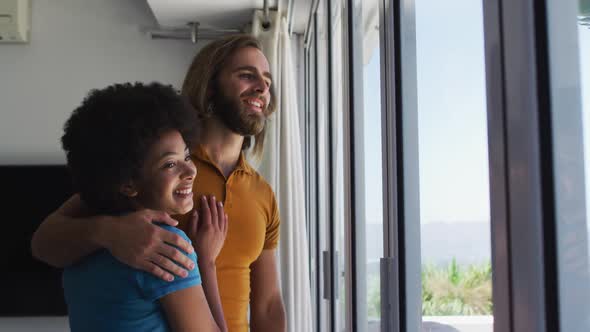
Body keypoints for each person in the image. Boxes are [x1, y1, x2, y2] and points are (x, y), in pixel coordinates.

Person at [32, 35, 286, 332]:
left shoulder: (262, 194)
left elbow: (268, 306)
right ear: (210, 85)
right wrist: (109, 232)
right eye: (246, 75)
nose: (262, 87)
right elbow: (43, 243)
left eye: (267, 80)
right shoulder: (149, 169)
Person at [57, 82, 228, 331]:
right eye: (170, 164)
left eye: (187, 156)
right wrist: (206, 260)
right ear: (127, 183)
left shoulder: (77, 248)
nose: (190, 170)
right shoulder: (164, 245)